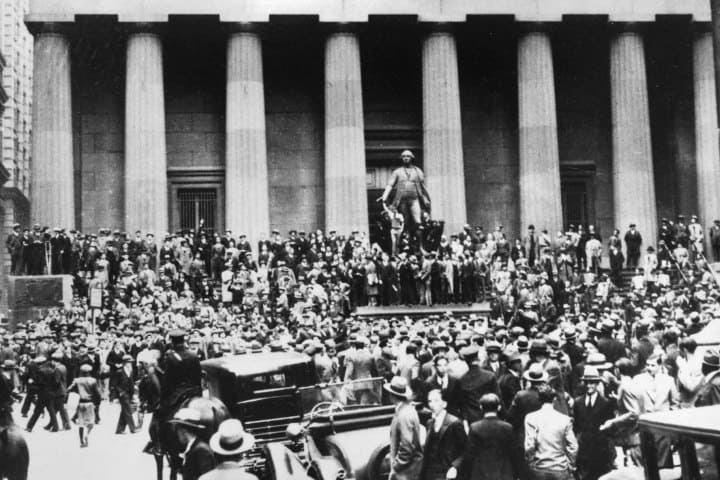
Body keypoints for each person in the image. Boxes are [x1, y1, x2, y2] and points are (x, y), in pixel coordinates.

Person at [379, 150, 432, 250]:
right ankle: (401, 245)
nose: (406, 158)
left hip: (414, 200)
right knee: (403, 223)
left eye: (408, 156)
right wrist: (385, 195)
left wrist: (427, 199)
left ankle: (421, 246)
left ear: (412, 158)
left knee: (418, 222)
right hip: (401, 200)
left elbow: (423, 187)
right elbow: (390, 185)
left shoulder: (417, 171)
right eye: (403, 156)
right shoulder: (397, 172)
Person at [524, 385, 578, 480]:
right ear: (554, 399)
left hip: (539, 468)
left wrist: (531, 463)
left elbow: (530, 446)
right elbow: (573, 446)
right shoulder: (564, 419)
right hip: (560, 468)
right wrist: (570, 464)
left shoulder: (531, 418)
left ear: (539, 399)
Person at [461, 393, 519, 480]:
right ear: (499, 408)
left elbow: (469, 455)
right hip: (504, 473)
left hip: (480, 474)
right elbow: (513, 454)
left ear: (481, 407)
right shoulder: (507, 427)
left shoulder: (475, 427)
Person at [572, 366, 615, 480]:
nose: (589, 386)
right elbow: (576, 426)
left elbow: (610, 429)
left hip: (600, 451)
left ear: (597, 384)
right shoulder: (578, 402)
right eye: (587, 383)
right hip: (583, 450)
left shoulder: (606, 403)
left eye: (592, 383)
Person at [419, 389, 466, 480]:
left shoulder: (454, 423)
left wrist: (455, 467)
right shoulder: (430, 423)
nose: (432, 404)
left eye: (436, 401)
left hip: (447, 473)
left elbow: (466, 450)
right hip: (430, 473)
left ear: (444, 404)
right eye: (430, 401)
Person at [385, 376, 423, 480]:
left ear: (392, 396)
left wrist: (396, 466)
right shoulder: (408, 409)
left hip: (406, 472)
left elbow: (406, 447)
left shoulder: (403, 415)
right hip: (410, 470)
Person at [458, 345, 500, 425]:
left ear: (466, 361)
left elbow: (462, 404)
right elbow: (498, 398)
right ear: (478, 359)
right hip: (490, 417)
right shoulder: (490, 376)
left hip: (472, 420)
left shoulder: (462, 380)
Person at [170, 408, 216, 480]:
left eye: (177, 429)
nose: (176, 434)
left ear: (183, 431)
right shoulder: (193, 448)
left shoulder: (201, 450)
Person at [68, 363, 102, 447]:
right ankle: (87, 434)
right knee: (91, 422)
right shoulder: (93, 380)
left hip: (80, 403)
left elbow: (69, 389)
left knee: (81, 423)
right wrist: (98, 402)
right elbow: (97, 393)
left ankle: (81, 441)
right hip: (90, 403)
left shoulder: (77, 380)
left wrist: (75, 392)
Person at [114, 354, 137, 434]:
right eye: (128, 362)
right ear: (124, 363)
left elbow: (131, 383)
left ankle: (119, 429)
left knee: (124, 411)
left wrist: (133, 393)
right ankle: (133, 428)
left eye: (130, 362)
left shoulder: (130, 371)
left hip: (129, 393)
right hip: (123, 394)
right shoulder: (119, 371)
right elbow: (115, 384)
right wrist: (120, 392)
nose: (130, 364)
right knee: (128, 411)